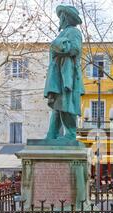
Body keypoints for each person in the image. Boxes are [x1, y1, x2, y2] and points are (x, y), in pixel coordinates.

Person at [44, 5, 85, 142]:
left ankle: (70, 134)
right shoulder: (65, 32)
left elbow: (75, 49)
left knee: (66, 104)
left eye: (61, 16)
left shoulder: (73, 32)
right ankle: (52, 134)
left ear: (66, 18)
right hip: (59, 75)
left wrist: (59, 45)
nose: (60, 19)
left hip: (68, 76)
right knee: (58, 105)